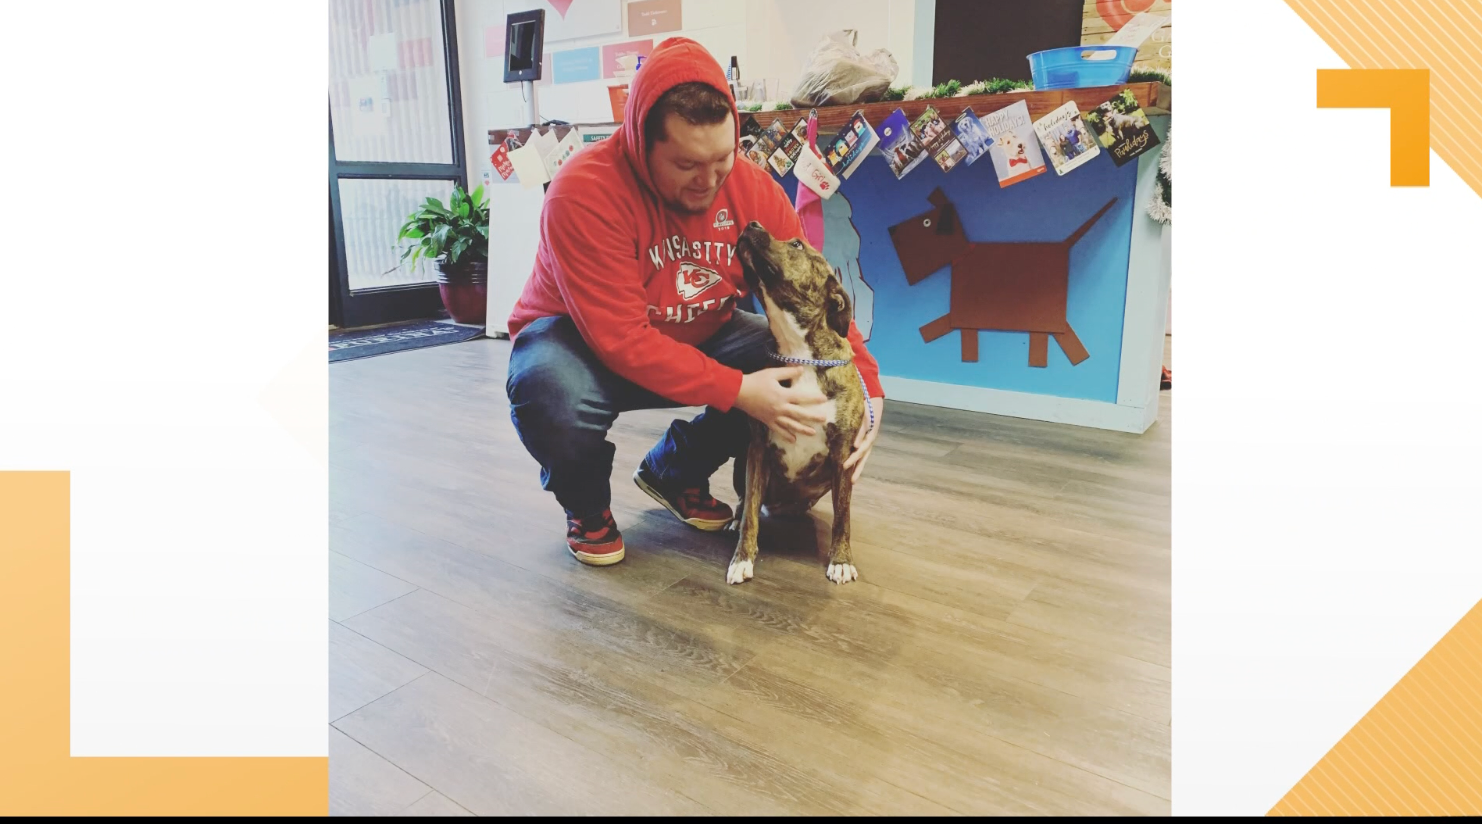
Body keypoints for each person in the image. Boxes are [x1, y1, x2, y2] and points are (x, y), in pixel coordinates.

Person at [504, 38, 885, 567]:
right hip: (580, 343)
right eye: (686, 164)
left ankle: (674, 471)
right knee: (547, 390)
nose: (708, 182)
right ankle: (587, 508)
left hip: (699, 330)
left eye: (722, 159)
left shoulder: (752, 189)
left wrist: (868, 388)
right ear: (640, 143)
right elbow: (622, 340)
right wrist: (740, 391)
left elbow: (817, 296)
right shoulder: (583, 192)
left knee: (791, 364)